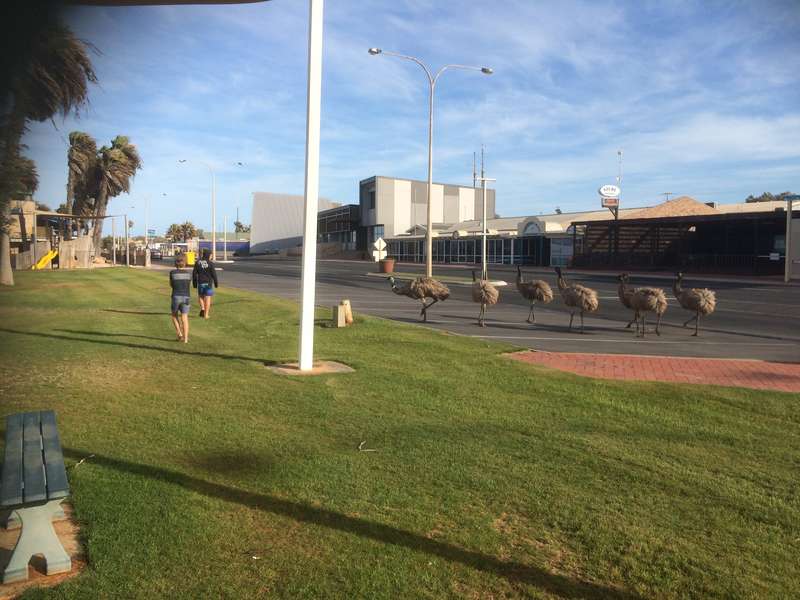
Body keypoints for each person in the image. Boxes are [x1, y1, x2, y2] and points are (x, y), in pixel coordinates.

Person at [169, 254, 192, 342]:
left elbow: (171, 284)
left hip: (176, 296)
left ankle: (179, 334)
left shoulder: (172, 273)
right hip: (186, 296)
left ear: (176, 263)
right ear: (185, 263)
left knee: (174, 315)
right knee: (184, 317)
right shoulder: (188, 274)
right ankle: (185, 339)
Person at [192, 248, 219, 319]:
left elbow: (194, 274)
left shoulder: (198, 262)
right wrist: (216, 283)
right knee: (208, 298)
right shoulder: (210, 263)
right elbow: (214, 274)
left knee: (200, 296)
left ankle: (203, 308)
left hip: (200, 283)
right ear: (208, 255)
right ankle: (206, 315)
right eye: (211, 255)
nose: (211, 257)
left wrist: (194, 283)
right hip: (208, 284)